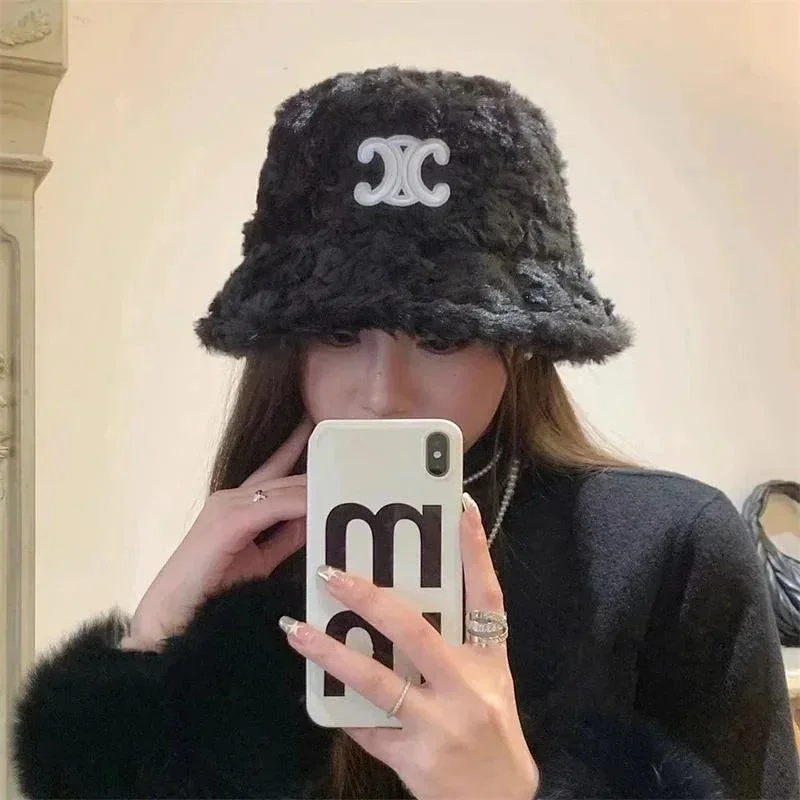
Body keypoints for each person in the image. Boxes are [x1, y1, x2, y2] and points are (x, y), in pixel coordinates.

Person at [12, 66, 799, 799]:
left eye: (443, 336)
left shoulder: (669, 548)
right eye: (339, 333)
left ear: (519, 345)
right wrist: (154, 648)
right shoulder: (263, 554)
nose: (382, 392)